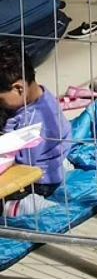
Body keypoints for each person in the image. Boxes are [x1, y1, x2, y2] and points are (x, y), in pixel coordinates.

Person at [0, 42, 71, 217]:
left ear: (18, 88)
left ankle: (22, 205)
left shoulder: (32, 124)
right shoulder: (40, 96)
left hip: (40, 180)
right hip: (50, 159)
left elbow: (21, 167)